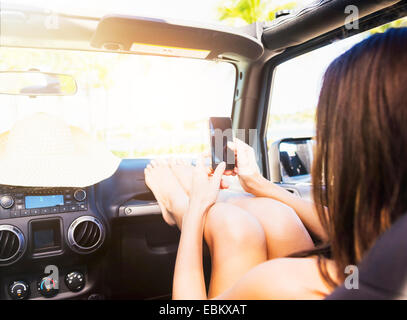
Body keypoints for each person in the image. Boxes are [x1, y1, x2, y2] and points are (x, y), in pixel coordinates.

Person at [144, 28, 407, 299]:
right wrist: (259, 185)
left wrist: (194, 210)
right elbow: (361, 232)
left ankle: (178, 203)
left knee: (232, 224)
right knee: (277, 216)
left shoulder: (285, 284)